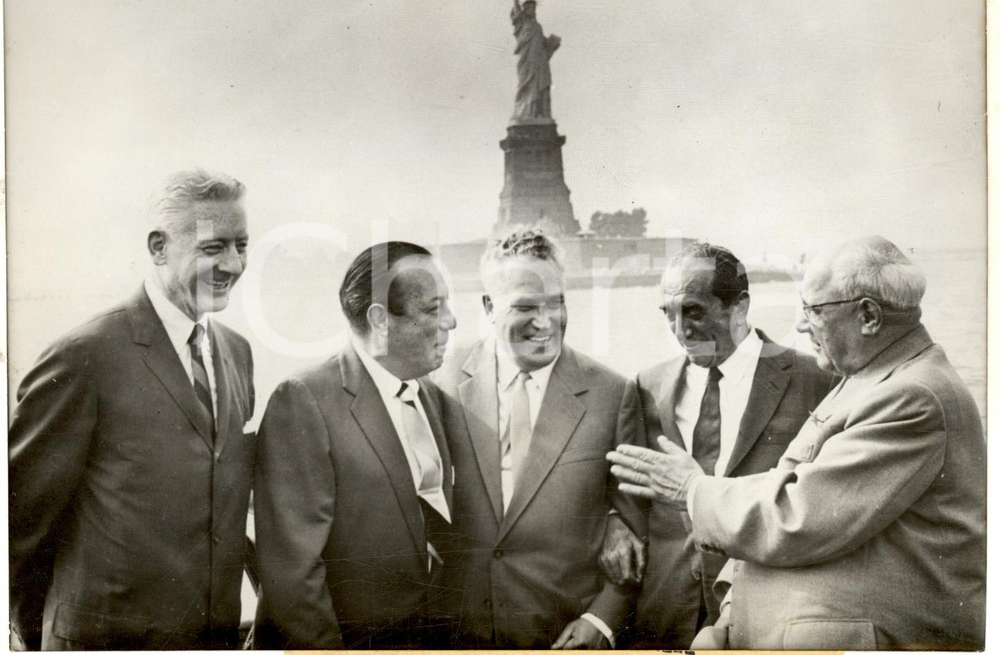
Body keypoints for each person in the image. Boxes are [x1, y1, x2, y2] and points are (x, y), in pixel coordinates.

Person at [608, 236, 986, 650]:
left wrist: (691, 489)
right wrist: (730, 620)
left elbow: (799, 514)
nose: (802, 325)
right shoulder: (868, 381)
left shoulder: (911, 397)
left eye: (813, 310)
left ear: (869, 316)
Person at [9, 169, 255, 650]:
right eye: (213, 248)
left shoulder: (237, 352)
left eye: (241, 246)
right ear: (159, 247)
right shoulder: (85, 355)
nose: (233, 264)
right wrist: (39, 635)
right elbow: (20, 519)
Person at [606, 241, 833, 648]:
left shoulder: (814, 381)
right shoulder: (647, 387)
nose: (680, 330)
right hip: (663, 619)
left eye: (693, 310)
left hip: (766, 618)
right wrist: (613, 521)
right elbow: (628, 501)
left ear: (740, 307)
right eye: (669, 314)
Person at [434, 226, 643, 649]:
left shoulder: (613, 394)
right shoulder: (439, 382)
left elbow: (637, 526)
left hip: (563, 633)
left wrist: (601, 620)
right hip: (456, 631)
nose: (546, 323)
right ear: (489, 306)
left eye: (557, 303)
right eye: (526, 306)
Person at [253, 242, 458, 649]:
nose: (451, 322)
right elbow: (292, 574)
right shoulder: (304, 400)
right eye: (434, 309)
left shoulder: (428, 393)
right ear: (380, 319)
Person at [510, 0, 561, 121]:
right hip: (527, 62)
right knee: (526, 87)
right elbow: (516, 5)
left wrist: (553, 43)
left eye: (534, 7)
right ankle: (526, 115)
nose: (532, 9)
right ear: (525, 10)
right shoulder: (522, 24)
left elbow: (545, 44)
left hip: (539, 62)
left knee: (541, 88)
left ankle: (539, 114)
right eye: (529, 7)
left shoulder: (538, 27)